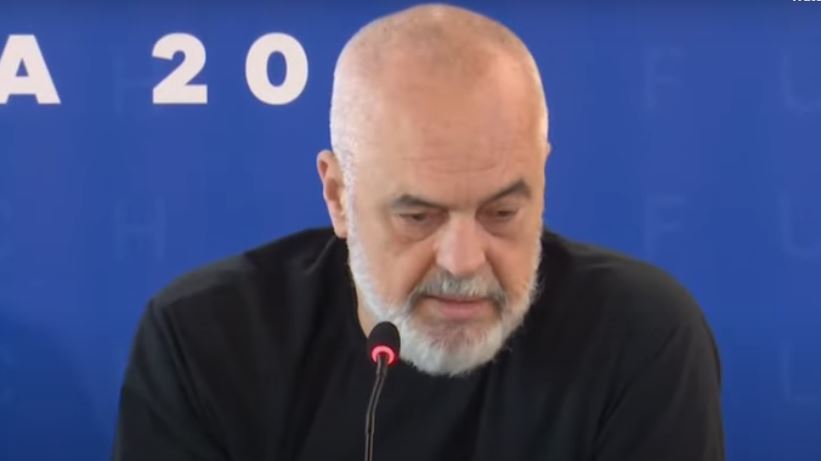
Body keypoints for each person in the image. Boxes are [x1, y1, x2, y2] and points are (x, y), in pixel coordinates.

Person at [112, 3, 725, 460]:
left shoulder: (639, 336)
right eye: (418, 217)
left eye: (501, 214)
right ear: (338, 196)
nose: (463, 261)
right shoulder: (205, 341)